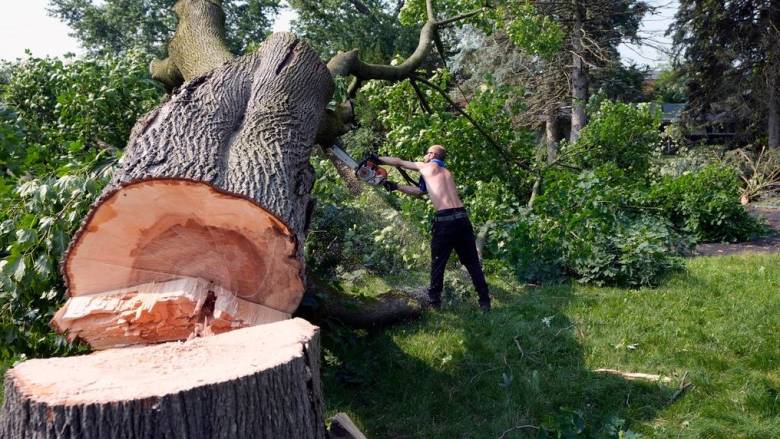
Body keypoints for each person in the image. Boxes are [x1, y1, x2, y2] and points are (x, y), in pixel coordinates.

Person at [379, 145, 491, 311]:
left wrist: (375, 158)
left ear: (432, 155)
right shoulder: (446, 173)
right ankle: (485, 302)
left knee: (438, 263)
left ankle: (434, 304)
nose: (424, 155)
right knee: (472, 263)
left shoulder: (426, 166)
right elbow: (419, 192)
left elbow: (398, 162)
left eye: (427, 152)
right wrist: (396, 186)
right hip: (462, 218)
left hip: (445, 221)